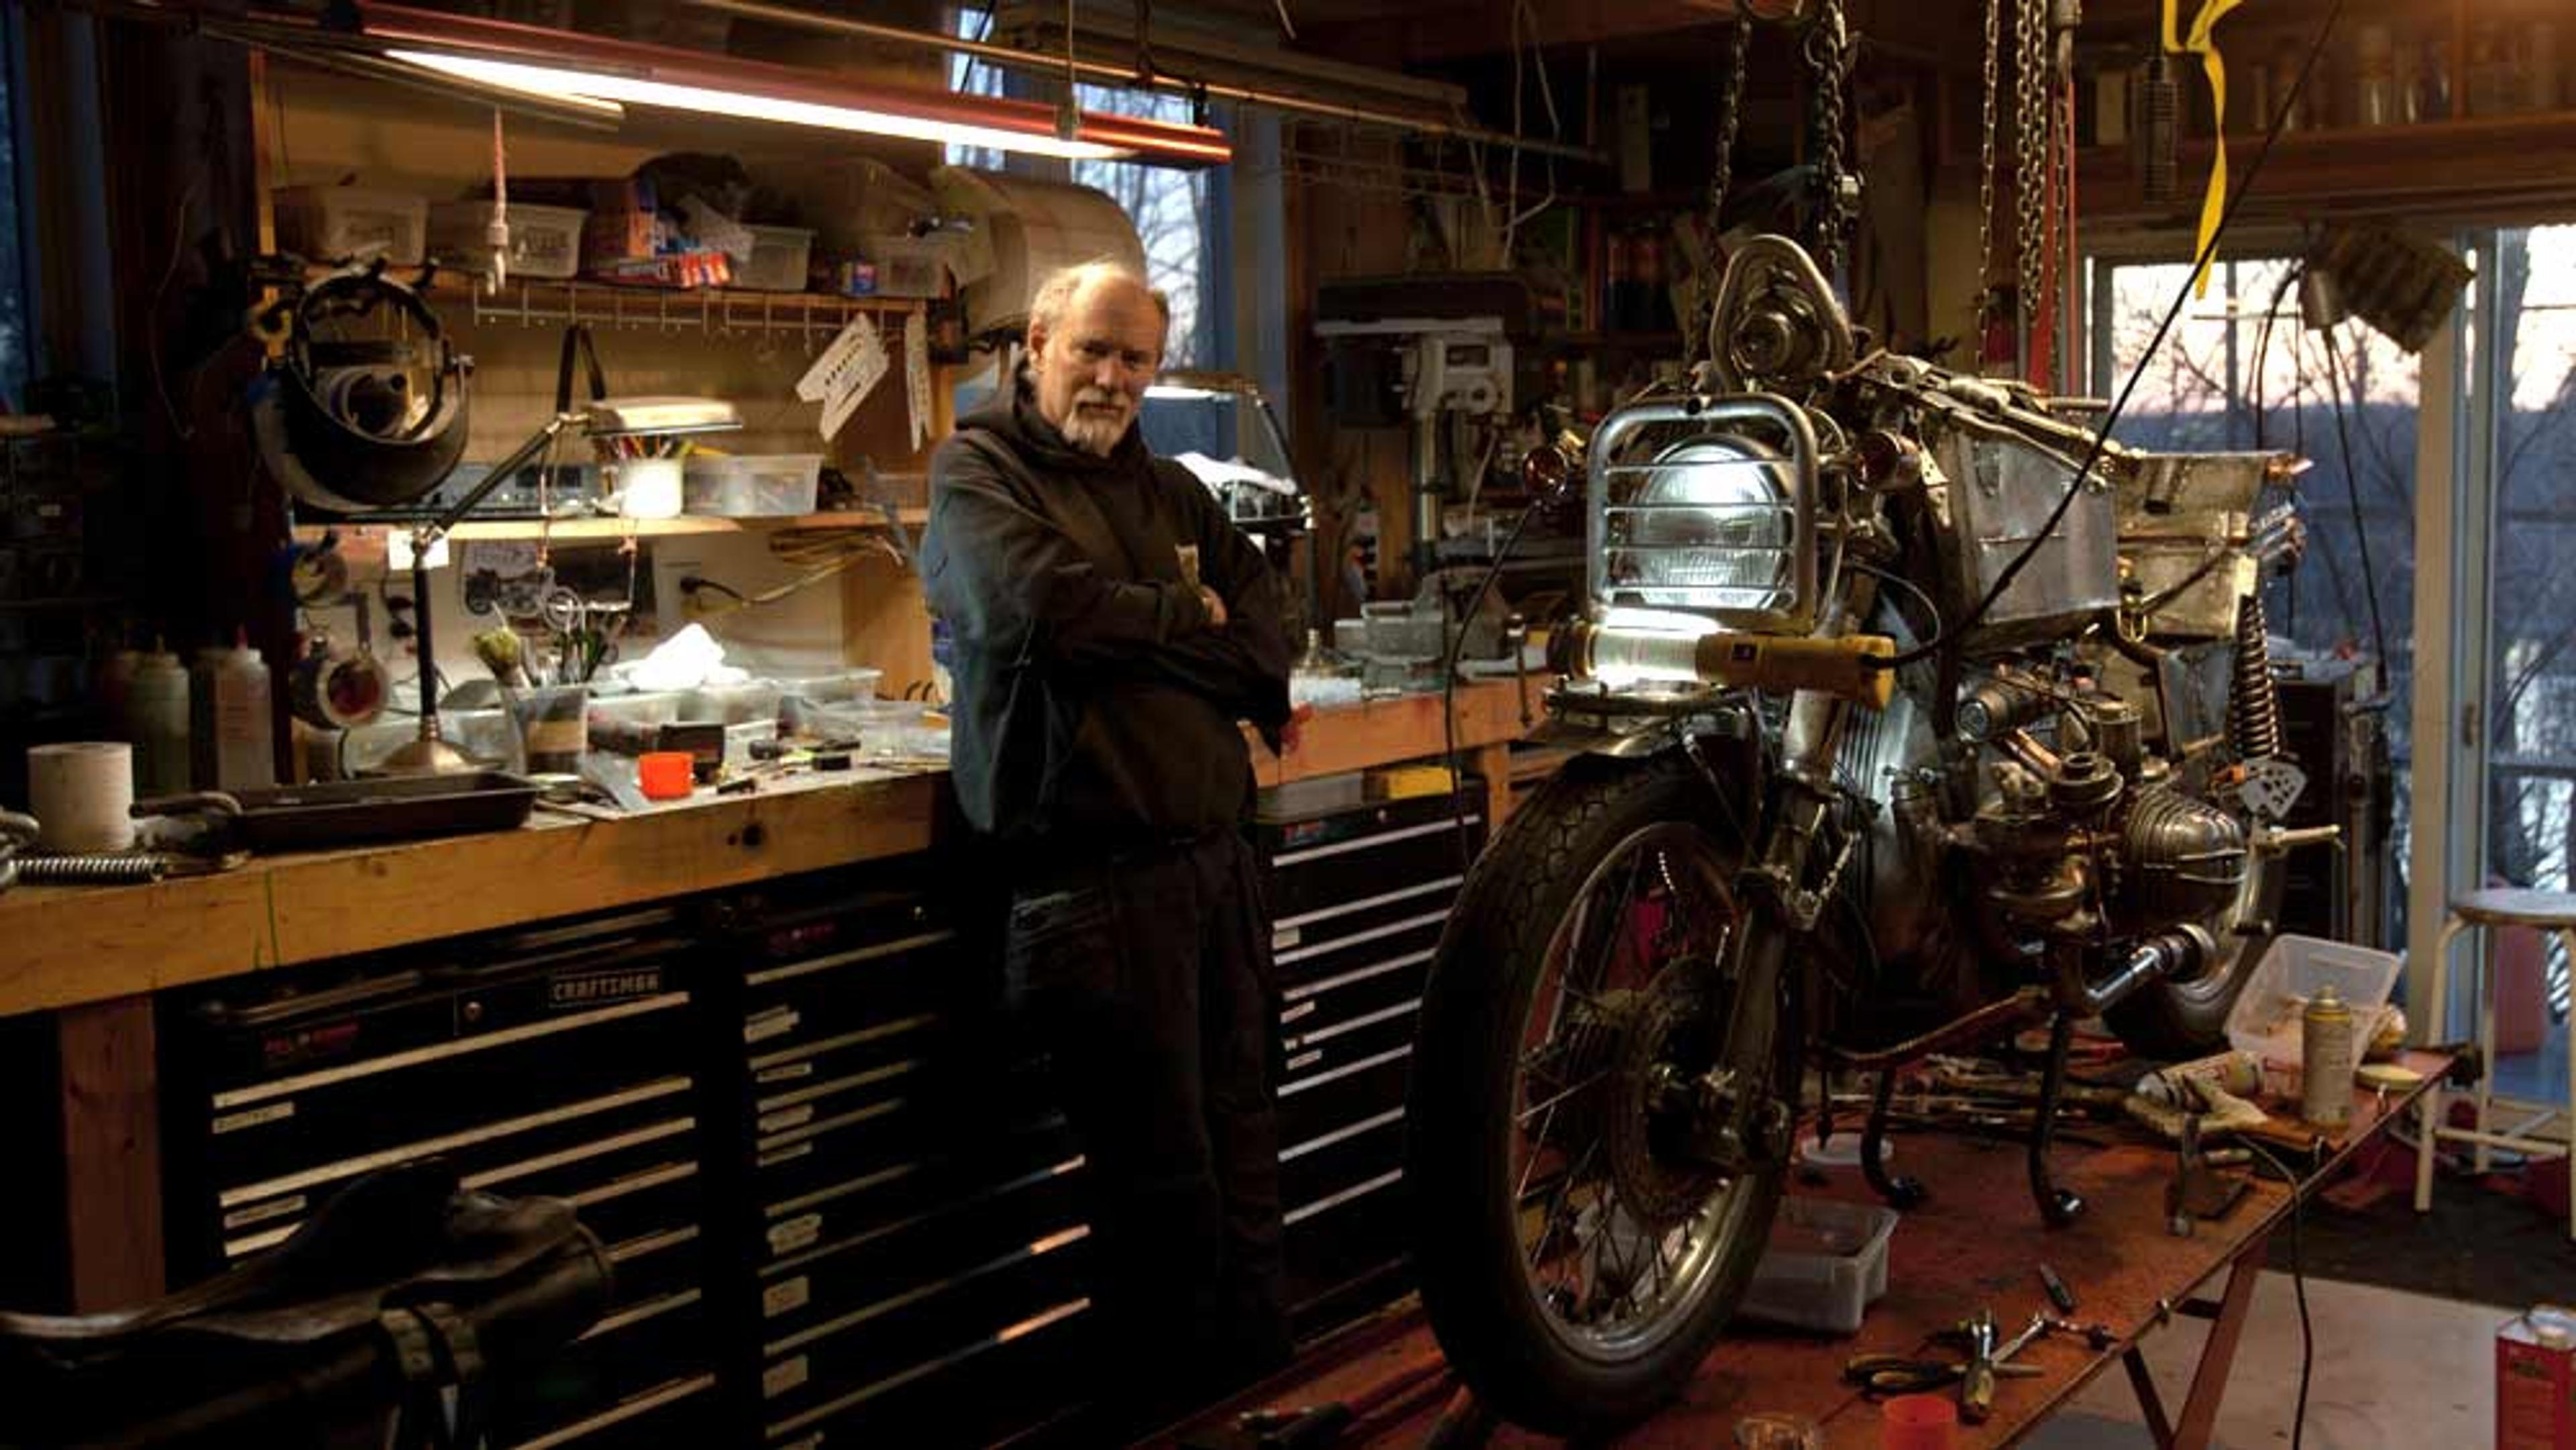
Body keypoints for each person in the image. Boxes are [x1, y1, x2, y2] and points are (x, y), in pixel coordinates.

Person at [920, 260, 1302, 1428]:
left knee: (1244, 1151)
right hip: (1093, 888)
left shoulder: (1175, 490)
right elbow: (1034, 607)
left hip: (1213, 871)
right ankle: (1168, 1420)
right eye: (1094, 349)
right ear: (1039, 340)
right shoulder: (976, 471)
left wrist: (1138, 630)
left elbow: (1268, 647)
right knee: (1159, 1187)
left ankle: (1259, 1400)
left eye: (1136, 358)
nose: (1114, 377)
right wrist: (1189, 616)